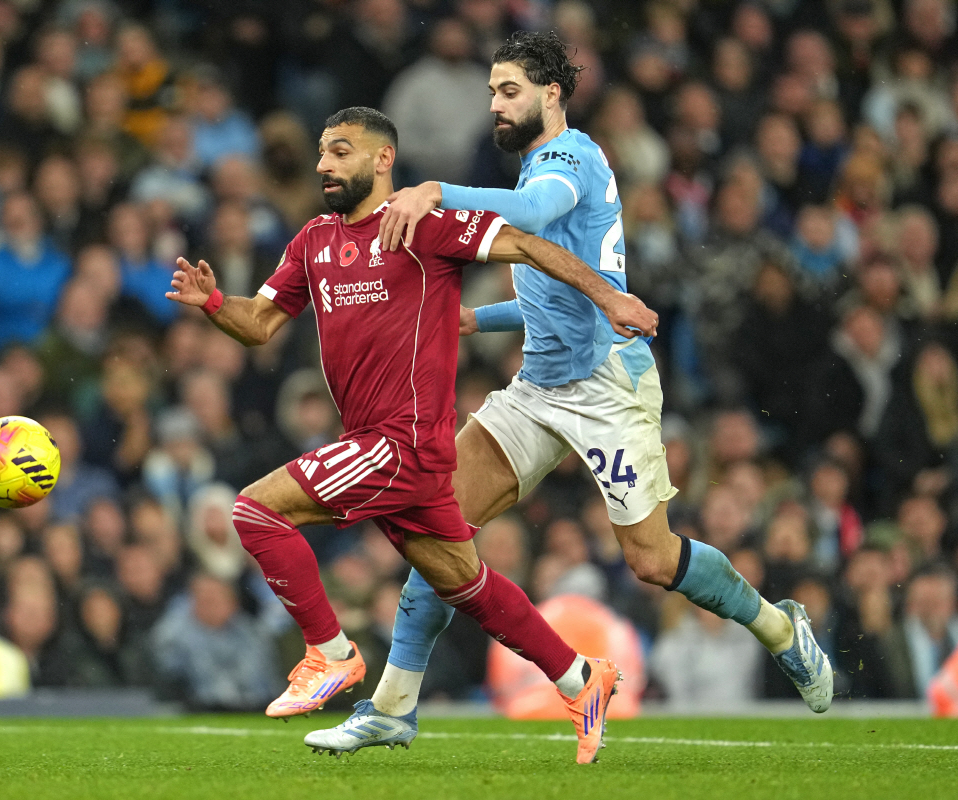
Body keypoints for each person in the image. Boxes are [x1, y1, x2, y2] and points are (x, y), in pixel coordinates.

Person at [310, 31, 833, 756]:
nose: (495, 103)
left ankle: (777, 626)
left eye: (510, 90)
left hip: (608, 385)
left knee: (651, 561)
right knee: (439, 532)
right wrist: (478, 320)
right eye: (492, 90)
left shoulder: (568, 159)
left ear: (551, 95)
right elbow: (555, 297)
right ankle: (394, 708)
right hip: (538, 385)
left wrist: (434, 190)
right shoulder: (538, 164)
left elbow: (525, 217)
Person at [167, 106, 657, 764]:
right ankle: (580, 678)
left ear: (382, 159)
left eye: (339, 151)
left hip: (404, 442)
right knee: (466, 583)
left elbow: (530, 244)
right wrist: (216, 305)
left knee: (254, 510)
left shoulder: (423, 228)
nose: (323, 165)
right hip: (380, 444)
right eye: (320, 152)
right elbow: (260, 322)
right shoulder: (312, 239)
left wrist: (610, 297)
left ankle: (331, 655)